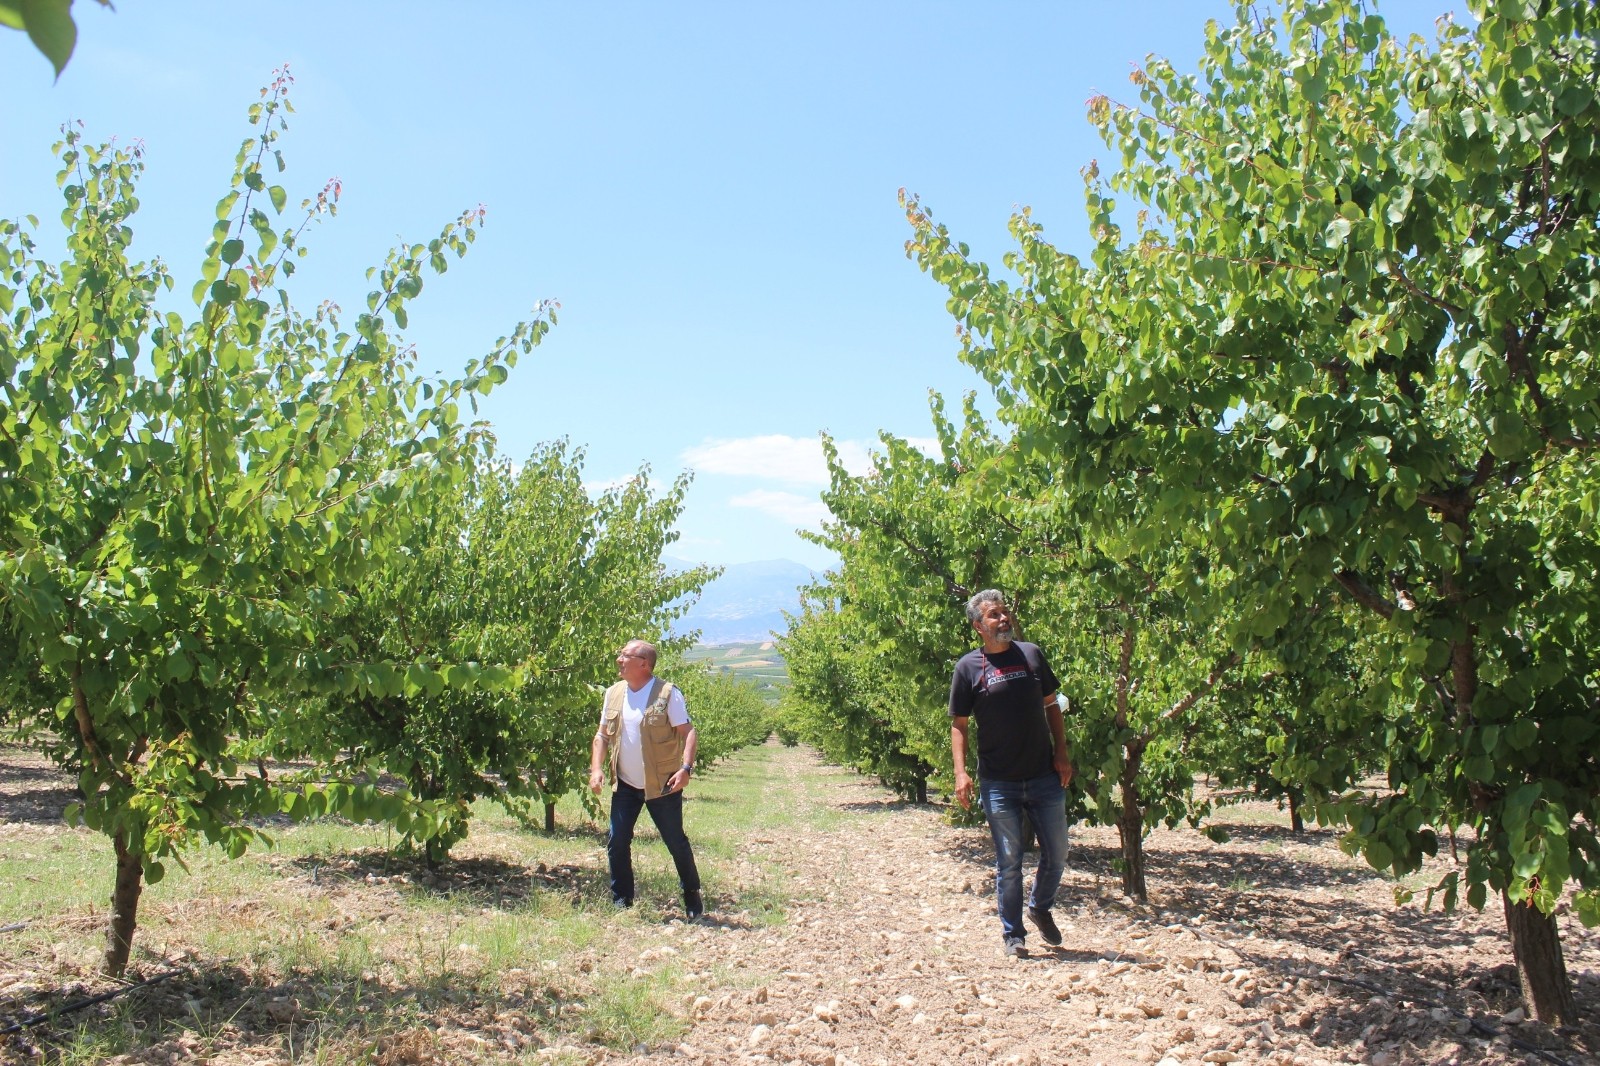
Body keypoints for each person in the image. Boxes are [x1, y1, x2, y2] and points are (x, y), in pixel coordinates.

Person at [949, 589, 1073, 957]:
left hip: (1043, 775)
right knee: (1009, 861)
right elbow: (959, 724)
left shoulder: (1031, 654)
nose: (1003, 619)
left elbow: (1052, 706)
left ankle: (1039, 906)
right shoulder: (968, 668)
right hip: (998, 781)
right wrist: (961, 773)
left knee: (1059, 852)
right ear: (978, 626)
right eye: (993, 615)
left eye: (1005, 612)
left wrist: (1062, 752)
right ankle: (1013, 935)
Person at [589, 639, 704, 918]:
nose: (619, 659)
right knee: (617, 841)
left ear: (644, 663)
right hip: (626, 784)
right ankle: (622, 901)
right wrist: (596, 768)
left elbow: (688, 732)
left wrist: (686, 768)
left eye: (624, 656)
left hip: (662, 784)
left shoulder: (667, 693)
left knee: (675, 841)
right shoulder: (614, 693)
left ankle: (692, 898)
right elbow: (602, 735)